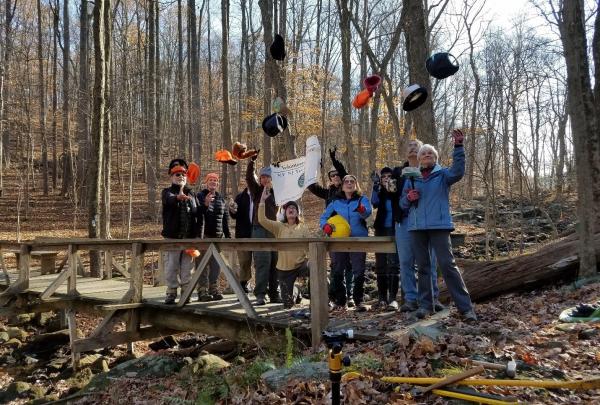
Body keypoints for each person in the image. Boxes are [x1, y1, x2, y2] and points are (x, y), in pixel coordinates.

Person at [400, 129, 477, 322]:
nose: (426, 155)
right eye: (423, 153)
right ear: (418, 159)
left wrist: (458, 147)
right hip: (417, 228)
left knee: (447, 265)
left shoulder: (443, 175)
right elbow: (402, 204)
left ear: (435, 158)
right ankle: (426, 306)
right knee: (424, 267)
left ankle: (466, 308)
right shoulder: (412, 178)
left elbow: (459, 171)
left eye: (430, 153)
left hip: (439, 226)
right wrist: (408, 198)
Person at [392, 139, 443, 313]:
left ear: (422, 151)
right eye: (409, 146)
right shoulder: (397, 173)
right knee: (406, 261)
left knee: (429, 261)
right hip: (403, 221)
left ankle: (431, 298)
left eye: (416, 146)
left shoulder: (431, 172)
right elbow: (391, 196)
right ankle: (410, 299)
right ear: (404, 152)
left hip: (424, 222)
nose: (412, 148)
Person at [307, 147, 354, 307]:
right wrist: (311, 167)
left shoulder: (346, 189)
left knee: (349, 264)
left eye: (336, 175)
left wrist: (333, 158)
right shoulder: (328, 193)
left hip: (348, 229)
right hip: (332, 232)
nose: (335, 177)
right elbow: (312, 187)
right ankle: (338, 297)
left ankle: (350, 296)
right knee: (336, 264)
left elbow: (343, 170)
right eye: (332, 175)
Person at [320, 175, 372, 312]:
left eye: (352, 181)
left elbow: (367, 213)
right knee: (337, 269)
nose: (349, 183)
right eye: (346, 181)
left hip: (358, 239)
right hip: (339, 241)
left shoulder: (362, 199)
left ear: (356, 185)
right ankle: (340, 301)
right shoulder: (335, 202)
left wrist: (362, 210)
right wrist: (325, 226)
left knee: (359, 270)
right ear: (342, 186)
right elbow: (324, 217)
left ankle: (358, 301)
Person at [258, 189, 311, 308]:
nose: (291, 209)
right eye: (288, 208)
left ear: (297, 213)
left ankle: (315, 299)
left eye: (294, 208)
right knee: (287, 304)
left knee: (314, 267)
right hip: (284, 269)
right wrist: (262, 201)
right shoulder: (279, 227)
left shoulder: (303, 228)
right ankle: (296, 291)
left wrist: (310, 259)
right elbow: (262, 220)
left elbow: (311, 246)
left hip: (301, 265)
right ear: (285, 212)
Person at [161, 159, 200, 305]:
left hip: (189, 238)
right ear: (171, 177)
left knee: (187, 268)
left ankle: (186, 293)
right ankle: (171, 292)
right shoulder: (167, 192)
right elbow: (169, 200)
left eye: (183, 174)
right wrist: (178, 197)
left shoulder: (192, 194)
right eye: (177, 174)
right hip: (172, 237)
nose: (180, 177)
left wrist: (206, 204)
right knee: (171, 266)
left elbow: (198, 212)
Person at [246, 153, 281, 305]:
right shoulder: (256, 191)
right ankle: (260, 294)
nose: (265, 179)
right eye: (263, 177)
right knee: (262, 261)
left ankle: (274, 293)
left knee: (275, 262)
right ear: (260, 179)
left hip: (273, 230)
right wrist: (251, 162)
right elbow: (249, 177)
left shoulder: (277, 193)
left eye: (268, 177)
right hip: (259, 229)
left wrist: (280, 170)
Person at [196, 172, 231, 301]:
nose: (213, 182)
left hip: (218, 236)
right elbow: (197, 214)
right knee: (202, 265)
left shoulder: (221, 198)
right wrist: (205, 203)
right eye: (210, 180)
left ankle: (214, 288)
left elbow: (225, 218)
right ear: (206, 182)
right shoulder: (200, 195)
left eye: (215, 181)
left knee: (216, 265)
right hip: (204, 235)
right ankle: (202, 290)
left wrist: (228, 235)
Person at [371, 167, 400, 310]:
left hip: (395, 229)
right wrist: (375, 185)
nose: (387, 178)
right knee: (381, 263)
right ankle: (382, 298)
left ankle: (393, 299)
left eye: (389, 176)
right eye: (384, 177)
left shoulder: (396, 191)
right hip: (381, 229)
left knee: (394, 263)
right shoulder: (379, 192)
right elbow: (374, 202)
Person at [229, 181, 253, 293]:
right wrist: (232, 209)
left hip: (259, 234)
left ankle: (262, 287)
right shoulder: (240, 197)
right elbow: (234, 215)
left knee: (260, 261)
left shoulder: (260, 195)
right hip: (243, 234)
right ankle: (244, 284)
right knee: (244, 261)